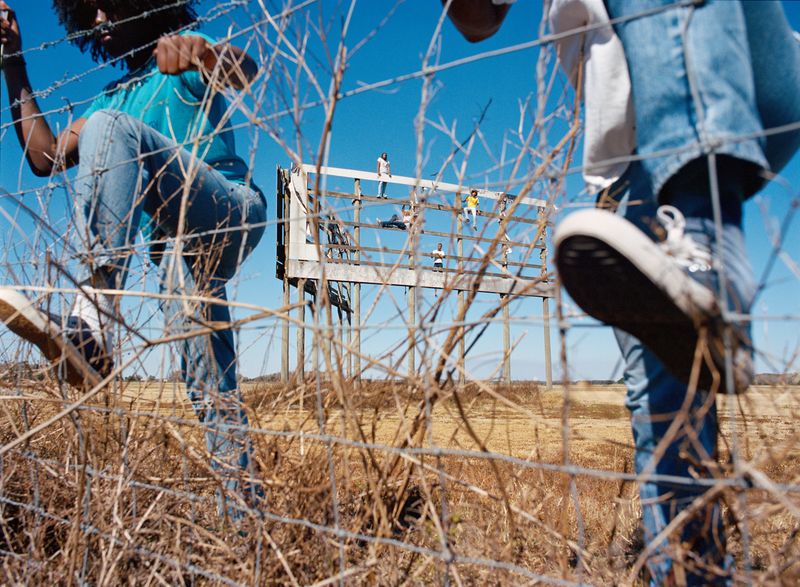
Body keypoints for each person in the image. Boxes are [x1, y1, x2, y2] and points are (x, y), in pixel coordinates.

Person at [444, 0, 800, 583]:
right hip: (629, 172)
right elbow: (476, 20)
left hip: (753, 78)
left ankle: (708, 240)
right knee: (665, 402)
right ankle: (689, 571)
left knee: (674, 373)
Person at [0, 0, 267, 522]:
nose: (100, 20)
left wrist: (202, 53)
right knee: (209, 385)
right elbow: (45, 156)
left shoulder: (180, 64)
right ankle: (248, 528)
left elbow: (242, 71)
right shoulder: (112, 98)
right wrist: (13, 60)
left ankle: (94, 319)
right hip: (173, 246)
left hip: (227, 209)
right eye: (89, 12)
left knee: (107, 126)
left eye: (109, 5)